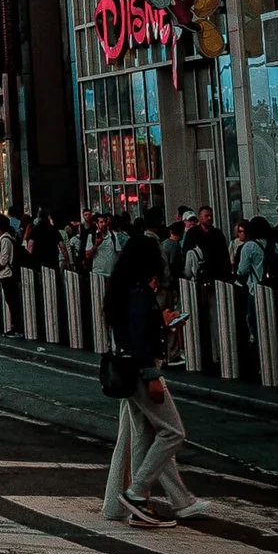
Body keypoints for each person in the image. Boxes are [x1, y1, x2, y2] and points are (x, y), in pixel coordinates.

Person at [100, 219, 195, 527]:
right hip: (141, 371)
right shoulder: (139, 294)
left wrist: (161, 323)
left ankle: (135, 505)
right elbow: (140, 338)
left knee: (141, 434)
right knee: (173, 432)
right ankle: (138, 493)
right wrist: (152, 374)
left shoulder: (122, 290)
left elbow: (131, 333)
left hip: (127, 369)